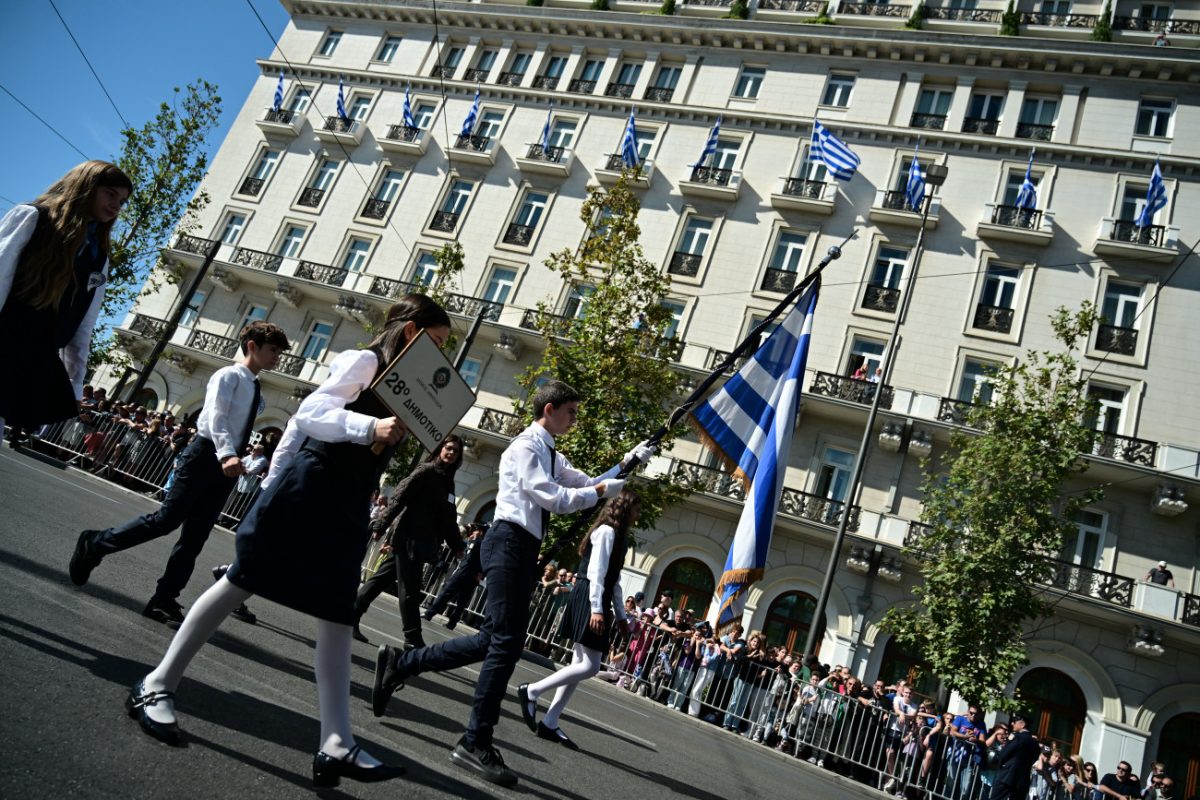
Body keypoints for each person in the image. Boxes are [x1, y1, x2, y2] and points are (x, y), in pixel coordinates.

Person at [116, 294, 450, 787]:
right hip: (311, 485)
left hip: (348, 499)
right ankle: (155, 684)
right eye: (436, 341)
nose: (438, 354)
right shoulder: (365, 360)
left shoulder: (404, 385)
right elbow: (312, 412)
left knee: (337, 615)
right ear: (408, 331)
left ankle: (336, 742)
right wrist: (368, 425)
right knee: (239, 581)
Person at [370, 379, 653, 787]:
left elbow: (583, 481)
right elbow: (554, 497)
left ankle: (405, 664)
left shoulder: (548, 450)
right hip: (507, 543)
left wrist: (627, 463)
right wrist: (602, 492)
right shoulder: (526, 447)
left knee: (496, 640)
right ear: (550, 409)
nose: (574, 419)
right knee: (505, 642)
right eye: (571, 412)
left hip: (519, 549)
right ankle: (474, 740)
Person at [70, 320, 289, 623]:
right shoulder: (229, 376)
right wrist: (227, 454)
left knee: (195, 538)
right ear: (252, 346)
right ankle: (95, 543)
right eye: (273, 350)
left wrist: (233, 459)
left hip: (226, 466)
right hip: (205, 455)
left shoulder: (253, 384)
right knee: (165, 521)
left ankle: (164, 599)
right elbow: (215, 417)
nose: (277, 357)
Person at [0, 161, 132, 444]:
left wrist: (75, 384)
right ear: (86, 187)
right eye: (109, 194)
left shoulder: (99, 258)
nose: (116, 205)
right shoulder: (33, 218)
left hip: (31, 361)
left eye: (121, 201)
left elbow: (83, 326)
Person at [518, 487, 641, 750]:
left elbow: (614, 581)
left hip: (595, 596)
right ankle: (532, 691)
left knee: (579, 663)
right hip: (588, 594)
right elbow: (597, 573)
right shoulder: (607, 532)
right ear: (625, 508)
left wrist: (620, 615)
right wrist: (597, 609)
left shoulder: (619, 537)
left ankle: (550, 721)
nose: (638, 515)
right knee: (591, 666)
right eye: (636, 509)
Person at [351, 433, 465, 647]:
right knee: (410, 591)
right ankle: (413, 639)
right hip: (409, 538)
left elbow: (449, 518)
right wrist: (380, 524)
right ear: (440, 449)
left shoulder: (448, 482)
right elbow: (399, 497)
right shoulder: (426, 471)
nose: (451, 453)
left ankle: (350, 616)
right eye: (448, 448)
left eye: (455, 451)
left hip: (422, 541)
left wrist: (458, 546)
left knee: (379, 581)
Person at [423, 522, 488, 629]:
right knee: (452, 596)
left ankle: (437, 616)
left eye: (476, 530)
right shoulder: (479, 543)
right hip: (467, 573)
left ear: (481, 532)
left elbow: (486, 561)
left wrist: (482, 574)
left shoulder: (480, 543)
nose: (473, 532)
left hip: (468, 574)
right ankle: (436, 616)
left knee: (453, 596)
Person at [989, 713, 1041, 800]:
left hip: (1007, 776)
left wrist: (1000, 768)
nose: (1012, 724)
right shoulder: (1035, 743)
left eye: (1014, 722)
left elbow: (1003, 754)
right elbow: (1034, 759)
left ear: (1022, 724)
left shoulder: (1017, 737)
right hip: (1022, 780)